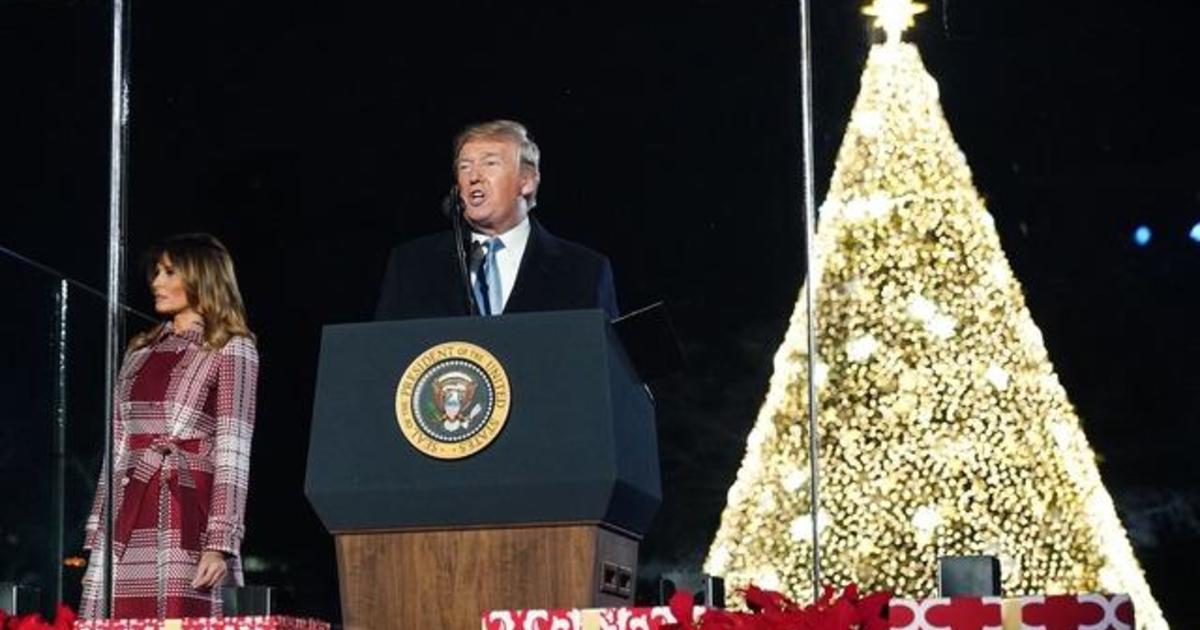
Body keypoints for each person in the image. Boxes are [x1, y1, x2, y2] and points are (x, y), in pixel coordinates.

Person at [80, 234, 259, 619]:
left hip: (186, 508)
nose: (156, 282)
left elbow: (234, 449)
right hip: (128, 510)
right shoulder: (138, 351)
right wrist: (98, 531)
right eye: (156, 272)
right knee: (116, 617)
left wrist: (221, 543)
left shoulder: (232, 347)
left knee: (180, 619)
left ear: (202, 278)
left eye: (169, 272)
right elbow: (118, 443)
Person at [375, 119, 619, 320]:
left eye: (490, 163)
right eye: (464, 166)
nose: (474, 177)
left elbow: (604, 365)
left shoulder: (583, 271)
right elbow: (385, 354)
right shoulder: (412, 266)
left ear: (527, 180)